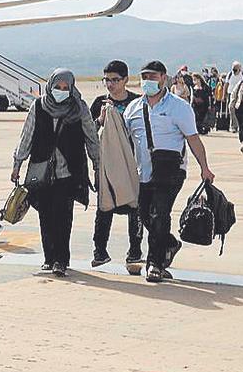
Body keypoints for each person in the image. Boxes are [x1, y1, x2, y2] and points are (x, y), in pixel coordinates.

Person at [125, 60, 215, 282]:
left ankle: (154, 263)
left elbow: (193, 139)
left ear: (164, 78)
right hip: (143, 171)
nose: (148, 81)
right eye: (144, 77)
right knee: (145, 214)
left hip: (171, 170)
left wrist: (205, 168)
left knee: (160, 213)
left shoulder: (179, 107)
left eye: (153, 77)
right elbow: (123, 141)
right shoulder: (133, 108)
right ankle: (169, 243)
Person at [11, 69, 100, 277]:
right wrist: (17, 164)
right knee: (45, 215)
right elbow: (27, 135)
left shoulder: (79, 108)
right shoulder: (39, 106)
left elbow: (91, 137)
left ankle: (61, 259)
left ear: (71, 88)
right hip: (41, 171)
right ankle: (48, 257)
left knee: (63, 216)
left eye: (65, 88)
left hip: (68, 172)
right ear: (50, 86)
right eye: (57, 87)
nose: (61, 91)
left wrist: (97, 164)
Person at [88, 60, 144, 272]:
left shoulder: (137, 102)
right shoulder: (99, 103)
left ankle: (135, 250)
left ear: (126, 80)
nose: (110, 85)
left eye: (115, 80)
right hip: (107, 165)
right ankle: (100, 250)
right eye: (107, 80)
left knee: (135, 208)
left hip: (132, 163)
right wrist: (99, 122)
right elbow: (89, 135)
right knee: (104, 207)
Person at [225, 61, 243, 132]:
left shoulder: (242, 75)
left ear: (239, 68)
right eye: (233, 68)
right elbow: (226, 84)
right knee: (231, 109)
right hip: (231, 93)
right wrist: (224, 94)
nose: (234, 70)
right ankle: (233, 126)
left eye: (236, 68)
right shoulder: (230, 74)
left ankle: (240, 126)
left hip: (240, 94)